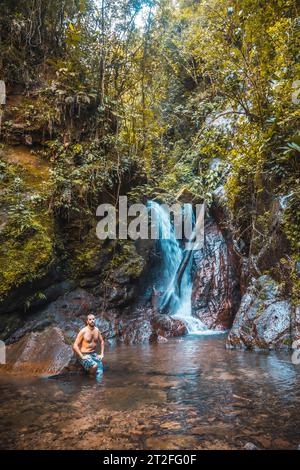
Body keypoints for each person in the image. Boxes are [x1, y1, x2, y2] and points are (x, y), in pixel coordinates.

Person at [73, 313, 105, 380]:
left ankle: (98, 386)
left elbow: (102, 341)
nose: (92, 321)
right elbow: (75, 345)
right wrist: (82, 356)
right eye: (90, 319)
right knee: (94, 366)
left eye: (93, 319)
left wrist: (102, 354)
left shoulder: (97, 330)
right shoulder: (83, 331)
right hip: (85, 354)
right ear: (87, 321)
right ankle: (91, 381)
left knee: (100, 369)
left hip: (93, 353)